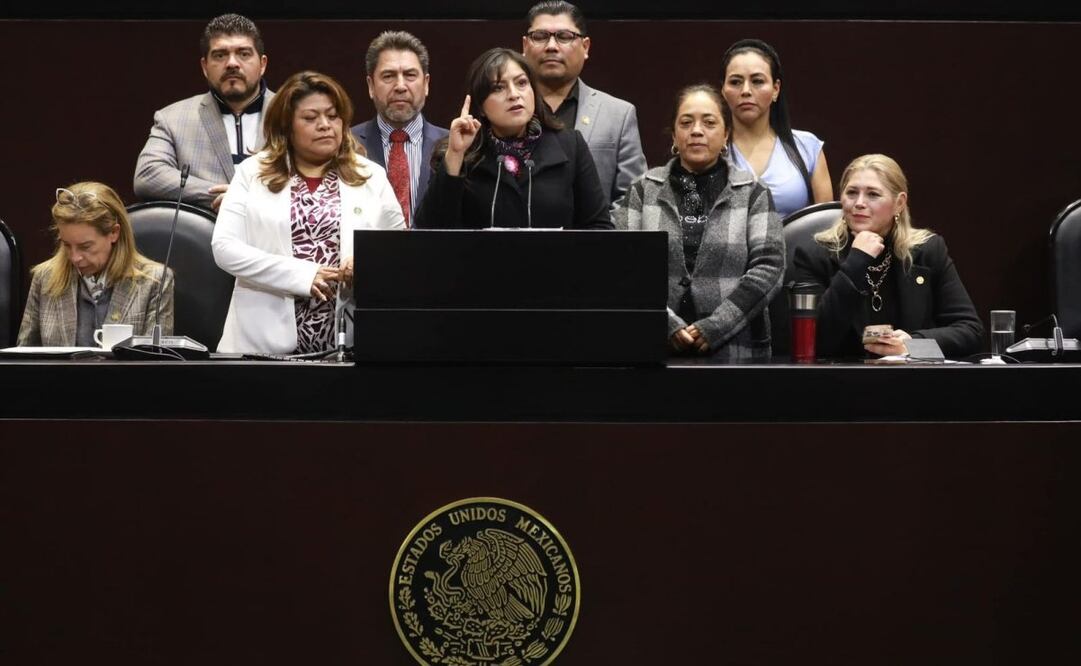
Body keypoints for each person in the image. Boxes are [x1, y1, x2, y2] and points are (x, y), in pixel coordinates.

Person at [211, 71, 405, 355]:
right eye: (311, 118)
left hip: (347, 345)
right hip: (261, 345)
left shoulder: (371, 176)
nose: (325, 125)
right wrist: (303, 274)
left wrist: (366, 261)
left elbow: (399, 250)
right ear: (287, 126)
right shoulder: (251, 173)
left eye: (333, 116)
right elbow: (224, 248)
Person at [613, 84, 784, 362]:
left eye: (709, 122)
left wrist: (717, 326)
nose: (696, 130)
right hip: (654, 347)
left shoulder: (753, 191)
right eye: (686, 122)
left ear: (726, 133)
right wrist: (665, 323)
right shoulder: (643, 190)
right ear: (674, 133)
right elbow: (623, 264)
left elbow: (769, 267)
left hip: (736, 347)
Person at [793, 154, 983, 359]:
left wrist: (912, 344)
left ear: (899, 203)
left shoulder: (927, 251)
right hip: (843, 380)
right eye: (851, 192)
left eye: (873, 194)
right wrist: (856, 262)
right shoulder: (815, 255)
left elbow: (971, 332)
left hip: (912, 381)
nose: (859, 203)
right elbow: (813, 342)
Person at [414, 48, 611, 230]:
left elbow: (598, 227)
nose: (514, 95)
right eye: (498, 88)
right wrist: (455, 155)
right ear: (481, 106)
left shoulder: (570, 145)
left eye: (522, 83)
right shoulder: (459, 153)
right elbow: (431, 232)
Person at [134, 14, 275, 212]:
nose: (232, 63)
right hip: (204, 238)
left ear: (263, 64)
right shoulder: (173, 118)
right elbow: (148, 175)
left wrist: (257, 197)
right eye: (220, 55)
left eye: (243, 53)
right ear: (205, 67)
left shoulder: (294, 113)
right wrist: (225, 194)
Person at [521, 1, 646, 207]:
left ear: (585, 47)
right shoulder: (507, 108)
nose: (551, 46)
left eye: (564, 37)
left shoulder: (619, 114)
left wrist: (595, 236)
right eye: (540, 36)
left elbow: (630, 199)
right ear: (525, 46)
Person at [18, 182, 173, 346]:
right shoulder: (44, 278)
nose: (75, 258)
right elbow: (23, 361)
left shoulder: (155, 281)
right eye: (67, 245)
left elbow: (156, 365)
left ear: (114, 233)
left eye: (85, 247)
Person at [720, 38, 832, 218]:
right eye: (735, 82)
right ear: (723, 91)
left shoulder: (806, 147)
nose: (746, 90)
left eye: (757, 81)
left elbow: (827, 226)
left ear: (775, 89)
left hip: (794, 246)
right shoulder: (710, 149)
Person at [351, 30, 449, 227]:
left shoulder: (452, 146)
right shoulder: (347, 144)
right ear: (370, 85)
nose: (400, 86)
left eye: (410, 75)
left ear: (426, 84)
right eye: (388, 76)